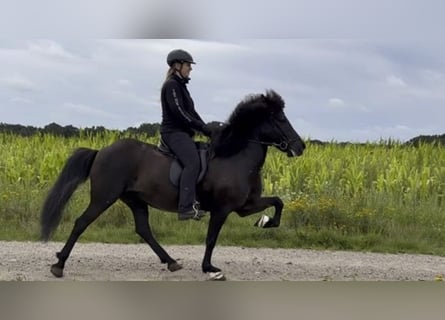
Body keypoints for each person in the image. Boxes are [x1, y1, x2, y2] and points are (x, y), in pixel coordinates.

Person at [160, 49, 212, 221]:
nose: (190, 68)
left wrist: (207, 129)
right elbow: (179, 113)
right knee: (192, 162)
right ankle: (185, 207)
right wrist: (200, 127)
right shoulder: (172, 86)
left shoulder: (181, 87)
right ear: (177, 65)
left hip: (183, 133)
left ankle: (199, 200)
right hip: (173, 133)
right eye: (188, 65)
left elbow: (192, 112)